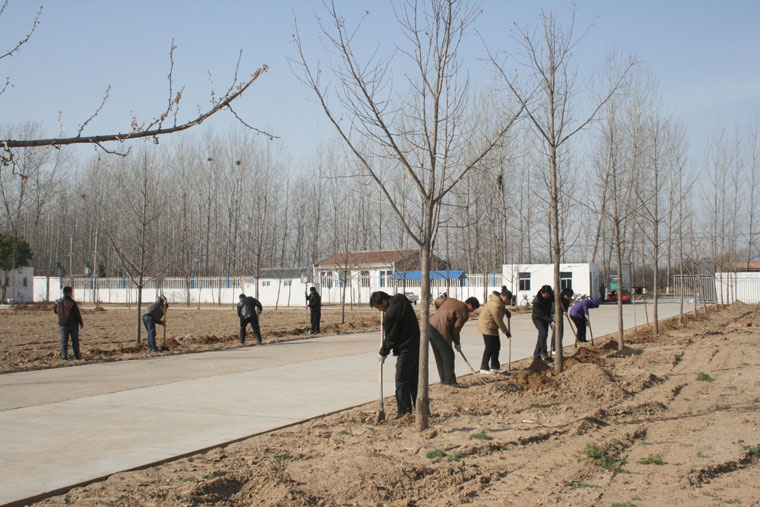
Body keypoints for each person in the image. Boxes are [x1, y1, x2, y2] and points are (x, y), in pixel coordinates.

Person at [370, 291, 420, 419]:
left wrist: (383, 352)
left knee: (401, 381)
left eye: (379, 307)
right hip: (415, 344)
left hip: (406, 348)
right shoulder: (401, 298)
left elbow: (390, 339)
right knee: (413, 381)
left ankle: (404, 413)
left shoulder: (390, 314)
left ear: (384, 301)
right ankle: (422, 410)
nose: (380, 310)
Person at [429, 295, 480, 386]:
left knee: (440, 356)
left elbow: (437, 301)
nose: (473, 311)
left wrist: (440, 310)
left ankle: (444, 381)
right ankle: (451, 382)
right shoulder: (464, 312)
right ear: (469, 305)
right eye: (473, 308)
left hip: (430, 325)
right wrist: (457, 343)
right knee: (448, 356)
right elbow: (455, 330)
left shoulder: (451, 300)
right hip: (440, 330)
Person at [477, 290, 511, 373]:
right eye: (507, 299)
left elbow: (501, 309)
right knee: (490, 347)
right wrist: (506, 332)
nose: (507, 301)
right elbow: (498, 320)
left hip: (492, 327)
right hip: (486, 326)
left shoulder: (499, 302)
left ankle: (494, 366)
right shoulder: (495, 304)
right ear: (503, 296)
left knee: (497, 346)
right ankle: (484, 367)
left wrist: (506, 311)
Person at [54, 286, 83, 360]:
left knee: (64, 341)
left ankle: (64, 357)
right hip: (73, 324)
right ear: (69, 293)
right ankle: (76, 356)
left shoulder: (57, 302)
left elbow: (55, 311)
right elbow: (77, 314)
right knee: (75, 341)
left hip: (62, 324)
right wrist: (80, 322)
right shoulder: (72, 303)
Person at [532, 285, 554, 363]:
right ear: (542, 292)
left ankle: (537, 354)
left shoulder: (551, 295)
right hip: (537, 318)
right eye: (546, 295)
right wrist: (550, 320)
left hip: (547, 317)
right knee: (543, 333)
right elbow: (540, 314)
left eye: (549, 295)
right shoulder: (536, 301)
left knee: (543, 335)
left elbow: (557, 300)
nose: (548, 296)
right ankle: (544, 353)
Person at [553, 288, 574, 353]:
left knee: (561, 333)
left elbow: (565, 309)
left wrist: (565, 312)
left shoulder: (567, 301)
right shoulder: (558, 298)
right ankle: (554, 349)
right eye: (568, 296)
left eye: (570, 296)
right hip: (554, 316)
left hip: (560, 316)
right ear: (565, 294)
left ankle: (559, 348)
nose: (569, 297)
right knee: (556, 332)